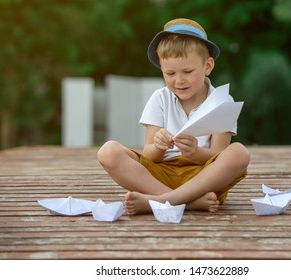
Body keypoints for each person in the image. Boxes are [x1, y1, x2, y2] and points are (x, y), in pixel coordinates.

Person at [97, 18, 250, 215]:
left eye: (187, 71)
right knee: (107, 151)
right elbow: (149, 154)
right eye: (169, 73)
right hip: (159, 176)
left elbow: (218, 155)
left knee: (239, 153)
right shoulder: (160, 98)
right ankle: (186, 202)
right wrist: (159, 147)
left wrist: (195, 152)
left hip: (203, 179)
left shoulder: (222, 102)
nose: (179, 80)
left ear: (208, 66)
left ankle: (162, 201)